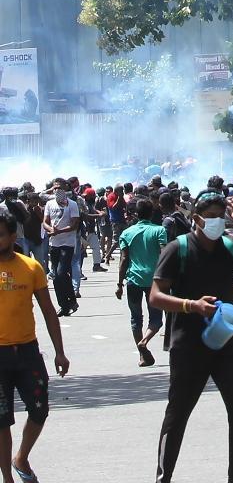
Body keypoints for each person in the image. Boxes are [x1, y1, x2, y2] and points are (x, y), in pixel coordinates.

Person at [149, 192, 233, 483]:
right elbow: (156, 296)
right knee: (177, 417)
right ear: (196, 219)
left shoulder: (231, 246)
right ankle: (163, 478)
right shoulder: (178, 248)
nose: (216, 223)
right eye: (210, 217)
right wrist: (191, 305)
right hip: (188, 347)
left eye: (220, 218)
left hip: (226, 345)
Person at [0, 206, 69, 483]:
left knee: (40, 409)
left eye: (1, 235)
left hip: (27, 352)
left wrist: (60, 352)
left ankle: (21, 457)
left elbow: (49, 311)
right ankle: (7, 477)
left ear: (13, 236)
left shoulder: (31, 267)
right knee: (1, 421)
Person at [115, 197, 167, 367]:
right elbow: (164, 253)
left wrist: (119, 284)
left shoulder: (127, 233)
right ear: (152, 213)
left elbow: (123, 260)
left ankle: (142, 355)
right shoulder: (159, 230)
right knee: (156, 320)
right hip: (154, 280)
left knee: (136, 318)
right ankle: (144, 341)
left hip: (133, 280)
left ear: (135, 214)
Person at [42, 180, 79, 317]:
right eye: (55, 188)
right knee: (56, 277)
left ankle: (72, 300)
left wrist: (60, 231)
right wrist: (51, 229)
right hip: (54, 243)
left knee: (62, 272)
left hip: (67, 243)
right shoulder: (49, 204)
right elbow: (45, 222)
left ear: (66, 189)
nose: (57, 190)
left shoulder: (72, 204)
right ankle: (64, 305)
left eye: (60, 188)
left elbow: (74, 224)